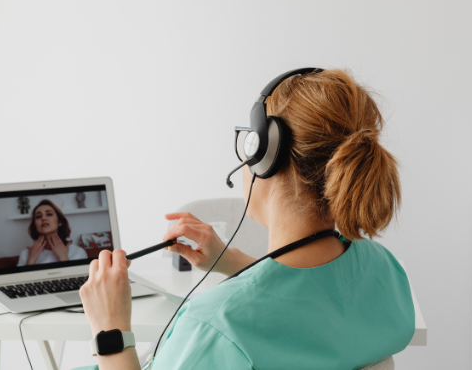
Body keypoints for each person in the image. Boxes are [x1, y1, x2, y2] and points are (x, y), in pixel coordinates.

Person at [78, 69, 414, 369]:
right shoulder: (382, 271)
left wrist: (110, 332)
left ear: (265, 155)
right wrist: (232, 262)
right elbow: (307, 306)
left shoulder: (215, 327)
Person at [17, 199, 88, 267]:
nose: (43, 218)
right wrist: (31, 261)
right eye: (38, 216)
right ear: (35, 226)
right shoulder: (26, 254)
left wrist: (64, 258)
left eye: (49, 214)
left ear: (60, 222)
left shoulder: (78, 253)